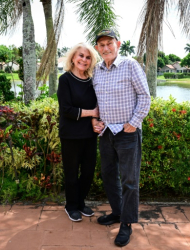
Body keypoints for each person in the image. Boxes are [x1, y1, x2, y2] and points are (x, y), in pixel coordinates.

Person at [92, 29, 151, 247]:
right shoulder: (96, 70)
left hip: (128, 133)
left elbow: (145, 97)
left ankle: (126, 223)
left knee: (129, 180)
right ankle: (117, 212)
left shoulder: (130, 65)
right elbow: (95, 101)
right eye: (101, 45)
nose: (105, 48)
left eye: (109, 43)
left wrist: (133, 123)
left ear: (118, 44)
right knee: (108, 176)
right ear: (97, 48)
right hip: (106, 132)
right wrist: (95, 120)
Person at [57, 43, 101, 222]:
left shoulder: (92, 80)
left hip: (90, 134)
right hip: (71, 134)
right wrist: (92, 113)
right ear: (73, 58)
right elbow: (66, 109)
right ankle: (71, 206)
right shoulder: (65, 79)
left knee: (88, 171)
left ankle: (81, 203)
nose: (84, 59)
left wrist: (94, 120)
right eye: (81, 56)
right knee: (71, 172)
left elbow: (97, 103)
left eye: (88, 57)